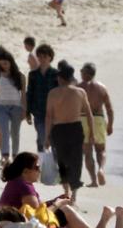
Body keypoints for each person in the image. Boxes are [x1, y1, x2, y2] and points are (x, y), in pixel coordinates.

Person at [45, 61, 94, 202]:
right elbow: (89, 114)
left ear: (60, 78)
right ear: (72, 78)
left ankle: (66, 190)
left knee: (61, 160)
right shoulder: (80, 92)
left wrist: (46, 137)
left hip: (59, 129)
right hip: (75, 129)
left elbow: (48, 116)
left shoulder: (53, 93)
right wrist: (92, 133)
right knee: (76, 160)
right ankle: (74, 194)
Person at [0, 48, 27, 165]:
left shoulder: (20, 76)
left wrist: (25, 110)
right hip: (1, 106)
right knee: (4, 131)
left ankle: (15, 155)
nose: (4, 66)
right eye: (1, 64)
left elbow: (23, 94)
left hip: (16, 106)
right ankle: (5, 155)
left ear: (11, 62)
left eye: (6, 63)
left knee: (15, 132)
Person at [78, 63, 113, 187]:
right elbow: (109, 109)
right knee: (101, 149)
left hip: (83, 119)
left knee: (87, 152)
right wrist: (110, 125)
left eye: (82, 71)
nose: (80, 72)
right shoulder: (102, 88)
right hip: (98, 119)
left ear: (86, 73)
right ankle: (101, 170)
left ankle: (93, 180)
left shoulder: (78, 88)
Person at [25, 44, 58, 152]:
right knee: (41, 137)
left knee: (54, 139)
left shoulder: (56, 74)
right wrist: (27, 112)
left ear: (50, 57)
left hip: (54, 113)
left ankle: (54, 164)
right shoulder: (33, 74)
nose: (42, 59)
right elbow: (30, 93)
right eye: (40, 56)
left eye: (45, 56)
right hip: (38, 111)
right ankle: (41, 160)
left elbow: (61, 94)